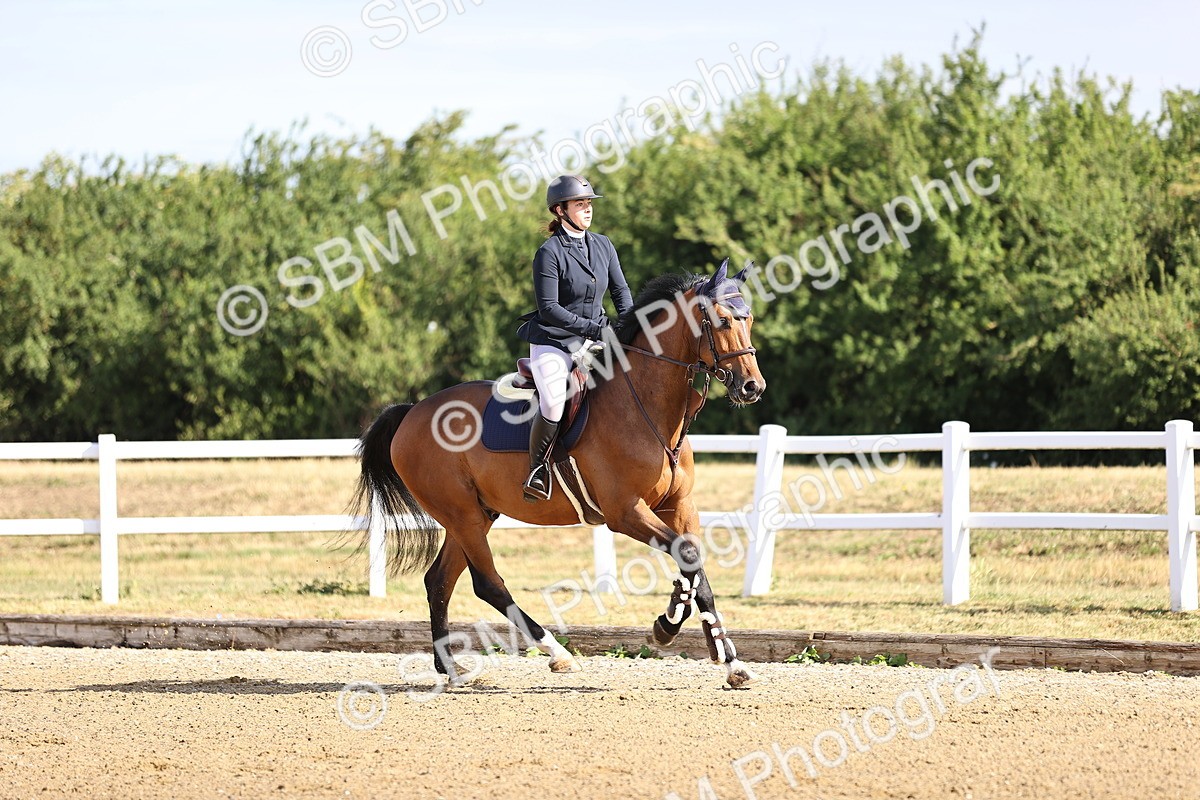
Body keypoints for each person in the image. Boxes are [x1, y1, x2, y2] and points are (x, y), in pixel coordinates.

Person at [516, 175, 633, 502]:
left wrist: (631, 323)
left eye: (589, 203)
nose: (588, 209)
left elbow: (620, 291)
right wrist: (596, 330)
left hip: (597, 338)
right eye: (581, 204)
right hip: (554, 341)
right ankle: (537, 470)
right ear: (560, 210)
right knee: (554, 399)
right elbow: (550, 308)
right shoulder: (549, 253)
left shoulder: (604, 245)